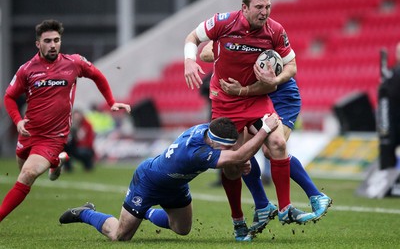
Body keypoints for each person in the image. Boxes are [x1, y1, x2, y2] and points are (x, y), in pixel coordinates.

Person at [184, 0, 318, 241]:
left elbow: (291, 64)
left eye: (267, 7)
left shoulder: (275, 30)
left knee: (277, 143)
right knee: (233, 164)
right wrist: (190, 60)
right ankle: (239, 220)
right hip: (225, 102)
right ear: (244, 8)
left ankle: (285, 207)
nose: (264, 12)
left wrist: (274, 78)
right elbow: (194, 40)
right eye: (259, 7)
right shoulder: (223, 22)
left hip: (256, 97)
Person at [58, 114, 289, 241]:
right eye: (224, 147)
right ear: (217, 142)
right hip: (148, 181)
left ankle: (146, 212)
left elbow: (234, 156)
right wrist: (265, 130)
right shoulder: (198, 153)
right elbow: (238, 154)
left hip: (176, 185)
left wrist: (239, 159)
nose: (225, 150)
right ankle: (86, 212)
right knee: (120, 236)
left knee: (181, 229)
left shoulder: (206, 131)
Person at [0, 19, 131, 223]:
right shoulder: (26, 70)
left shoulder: (74, 63)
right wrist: (18, 121)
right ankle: (56, 162)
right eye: (47, 41)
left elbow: (97, 76)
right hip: (28, 132)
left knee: (27, 174)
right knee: (23, 169)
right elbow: (8, 97)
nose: (53, 44)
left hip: (54, 136)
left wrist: (111, 101)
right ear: (38, 44)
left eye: (56, 40)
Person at [200, 39, 332, 219]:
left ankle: (315, 195)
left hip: (280, 96)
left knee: (272, 148)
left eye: (265, 8)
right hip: (254, 98)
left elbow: (285, 72)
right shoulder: (230, 32)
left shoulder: (268, 35)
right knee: (240, 154)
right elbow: (205, 54)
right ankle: (262, 205)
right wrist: (231, 49)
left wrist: (237, 54)